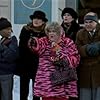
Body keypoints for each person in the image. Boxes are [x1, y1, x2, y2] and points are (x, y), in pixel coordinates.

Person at [28, 22, 80, 100]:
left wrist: (59, 52)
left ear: (59, 33)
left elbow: (75, 60)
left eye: (54, 31)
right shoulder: (44, 42)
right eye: (49, 31)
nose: (51, 33)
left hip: (63, 82)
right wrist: (34, 41)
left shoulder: (68, 42)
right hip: (47, 83)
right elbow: (38, 45)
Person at [17, 10, 48, 100]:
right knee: (23, 89)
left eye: (39, 19)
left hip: (38, 65)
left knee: (37, 91)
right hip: (25, 63)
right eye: (35, 18)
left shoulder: (45, 32)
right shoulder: (25, 29)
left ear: (43, 21)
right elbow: (21, 47)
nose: (36, 20)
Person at [76, 12, 100, 100]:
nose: (88, 24)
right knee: (85, 96)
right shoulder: (80, 33)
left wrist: (97, 46)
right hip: (84, 71)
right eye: (86, 22)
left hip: (98, 70)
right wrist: (87, 49)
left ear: (96, 22)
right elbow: (77, 49)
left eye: (91, 22)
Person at [0, 17, 19, 100]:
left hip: (6, 73)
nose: (9, 31)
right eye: (7, 29)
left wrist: (1, 46)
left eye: (10, 29)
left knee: (6, 96)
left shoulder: (13, 40)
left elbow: (11, 56)